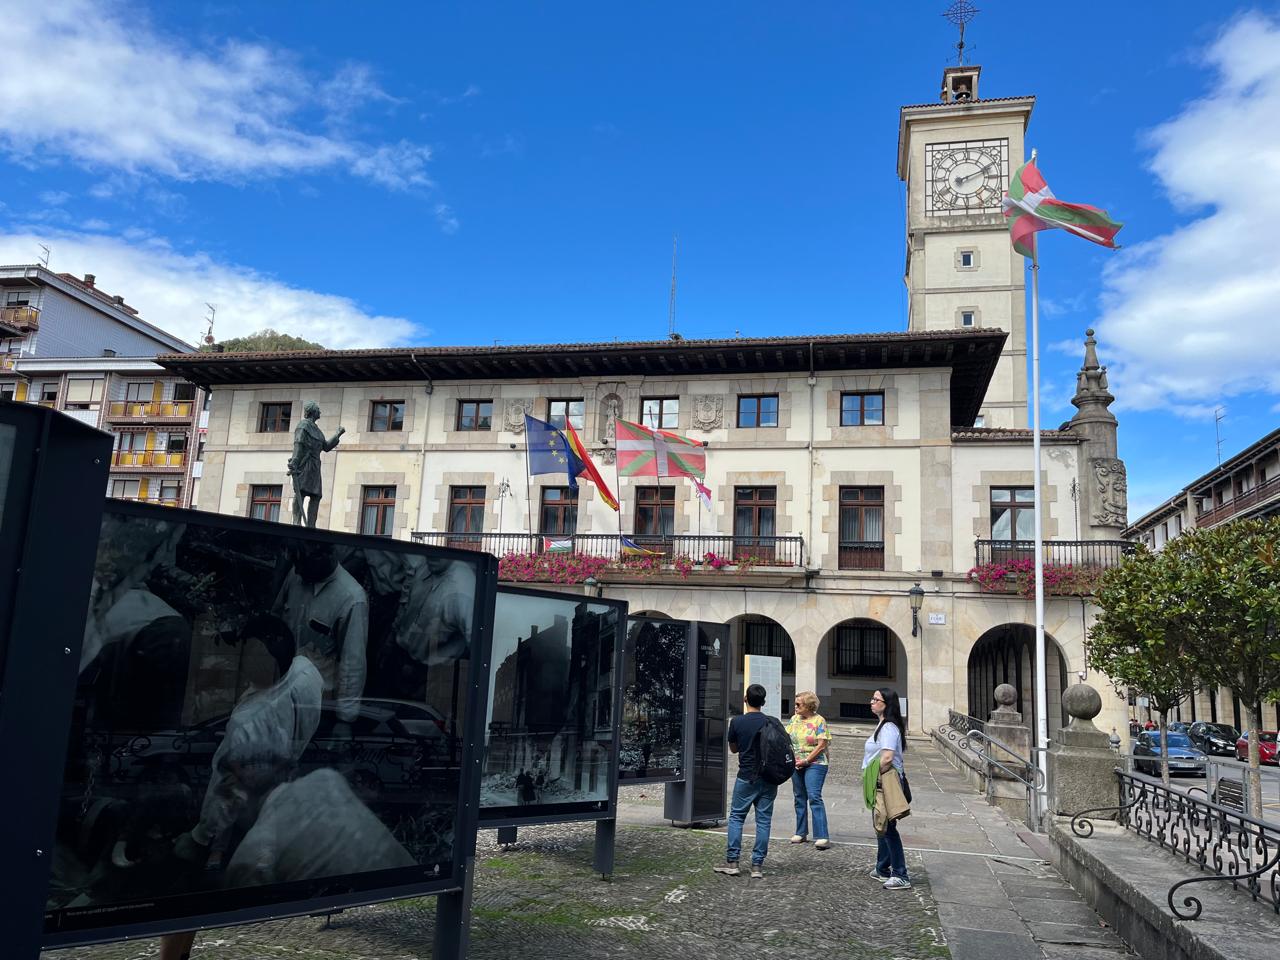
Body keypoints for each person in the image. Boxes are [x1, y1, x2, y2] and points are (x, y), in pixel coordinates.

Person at [272, 541, 368, 723]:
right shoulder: (295, 574)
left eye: (301, 565)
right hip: (281, 696)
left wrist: (345, 721)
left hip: (317, 707)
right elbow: (276, 618)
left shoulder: (352, 598)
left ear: (323, 557)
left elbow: (353, 664)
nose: (297, 570)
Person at [715, 684, 776, 880]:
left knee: (736, 817)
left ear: (745, 699)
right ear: (764, 702)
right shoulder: (772, 722)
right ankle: (757, 866)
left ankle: (732, 862)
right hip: (768, 778)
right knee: (764, 821)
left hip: (746, 776)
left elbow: (733, 748)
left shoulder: (737, 722)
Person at [863, 687, 911, 890]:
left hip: (885, 781)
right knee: (881, 824)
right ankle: (883, 868)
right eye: (872, 698)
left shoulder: (889, 728)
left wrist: (873, 777)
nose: (871, 702)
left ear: (886, 704)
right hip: (880, 780)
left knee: (888, 828)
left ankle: (901, 874)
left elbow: (888, 757)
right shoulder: (883, 725)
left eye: (876, 699)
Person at [287, 400, 345, 527]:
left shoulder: (317, 430)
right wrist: (295, 461)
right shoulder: (303, 426)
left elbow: (326, 447)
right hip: (305, 463)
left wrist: (338, 434)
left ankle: (311, 525)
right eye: (318, 409)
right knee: (300, 492)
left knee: (316, 495)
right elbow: (298, 444)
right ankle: (296, 522)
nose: (320, 412)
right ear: (313, 412)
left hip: (315, 466)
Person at [787, 691, 832, 849]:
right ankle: (801, 832)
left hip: (816, 763)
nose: (795, 707)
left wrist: (807, 760)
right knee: (799, 797)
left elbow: (822, 744)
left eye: (798, 704)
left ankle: (822, 836)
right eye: (795, 704)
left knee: (814, 796)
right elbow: (787, 738)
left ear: (808, 705)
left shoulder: (819, 720)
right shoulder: (794, 719)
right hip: (797, 763)